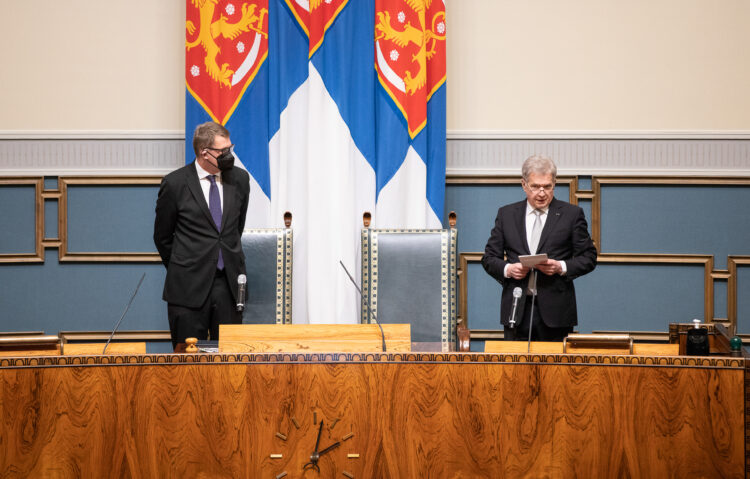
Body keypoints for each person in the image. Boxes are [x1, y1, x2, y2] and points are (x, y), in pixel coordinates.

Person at [154, 121, 250, 349]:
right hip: (187, 288)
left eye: (230, 148)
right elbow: (163, 237)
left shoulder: (240, 180)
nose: (229, 155)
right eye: (223, 151)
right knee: (188, 366)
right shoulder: (175, 183)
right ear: (204, 153)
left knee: (230, 365)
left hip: (228, 285)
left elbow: (236, 229)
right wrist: (185, 266)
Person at [482, 155, 597, 341]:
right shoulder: (506, 214)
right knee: (516, 369)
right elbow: (488, 258)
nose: (541, 193)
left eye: (547, 186)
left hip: (556, 313)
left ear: (554, 184)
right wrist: (508, 269)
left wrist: (561, 267)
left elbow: (589, 258)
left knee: (554, 370)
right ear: (524, 185)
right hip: (516, 309)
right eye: (535, 186)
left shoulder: (572, 214)